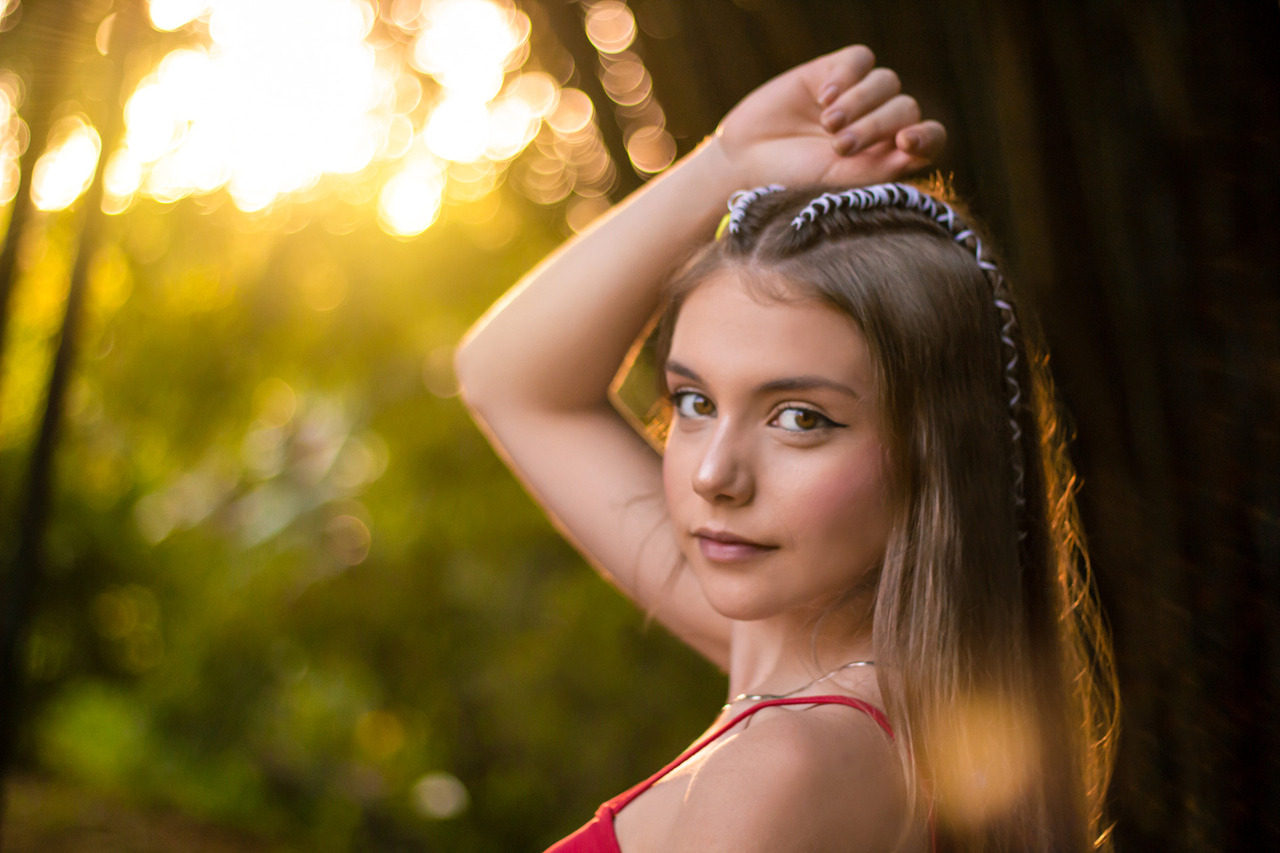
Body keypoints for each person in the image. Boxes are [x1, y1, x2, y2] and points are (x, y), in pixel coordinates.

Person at [455, 45, 1118, 852]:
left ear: (933, 455)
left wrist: (718, 174)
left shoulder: (783, 765)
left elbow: (510, 384)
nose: (714, 475)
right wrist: (724, 164)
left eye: (800, 418)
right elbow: (510, 380)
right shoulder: (815, 678)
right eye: (695, 402)